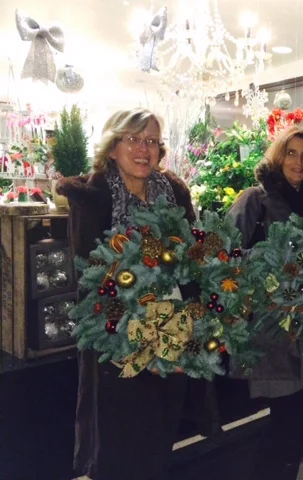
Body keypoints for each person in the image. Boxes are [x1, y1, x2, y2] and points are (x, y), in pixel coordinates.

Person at [57, 108, 218, 480]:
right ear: (113, 147)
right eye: (133, 139)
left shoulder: (173, 193)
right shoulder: (93, 198)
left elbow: (193, 261)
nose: (143, 149)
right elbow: (91, 279)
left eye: (151, 141)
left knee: (159, 438)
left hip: (174, 333)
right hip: (118, 343)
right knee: (118, 447)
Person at [226, 126, 303, 480]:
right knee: (283, 421)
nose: (299, 162)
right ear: (278, 156)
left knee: (297, 419)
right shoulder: (255, 200)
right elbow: (224, 254)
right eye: (292, 153)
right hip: (273, 327)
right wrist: (277, 259)